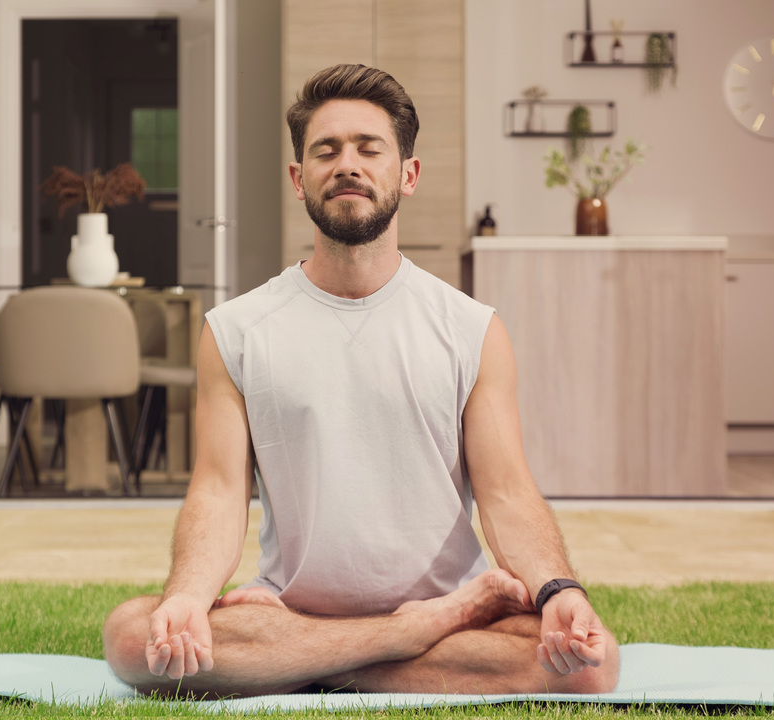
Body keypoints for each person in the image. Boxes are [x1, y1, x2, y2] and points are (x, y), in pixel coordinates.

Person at [102, 64, 620, 697]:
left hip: (448, 610)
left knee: (590, 661)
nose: (348, 163)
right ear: (300, 179)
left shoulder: (471, 328)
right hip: (308, 611)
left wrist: (558, 590)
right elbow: (217, 491)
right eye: (327, 150)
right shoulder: (236, 330)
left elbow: (507, 494)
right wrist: (186, 597)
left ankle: (310, 662)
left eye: (369, 149)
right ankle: (395, 643)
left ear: (408, 173)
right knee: (134, 637)